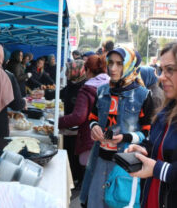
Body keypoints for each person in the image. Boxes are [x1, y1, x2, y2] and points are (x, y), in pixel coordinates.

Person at [80, 47, 154, 208]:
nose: (113, 68)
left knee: (119, 203)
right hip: (99, 159)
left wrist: (126, 137)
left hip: (125, 164)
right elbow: (92, 118)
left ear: (129, 65)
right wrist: (93, 127)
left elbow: (148, 132)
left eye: (120, 64)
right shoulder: (101, 91)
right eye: (111, 63)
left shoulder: (143, 95)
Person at [125, 42, 177, 208]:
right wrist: (144, 150)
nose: (161, 77)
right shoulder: (164, 112)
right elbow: (161, 147)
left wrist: (158, 169)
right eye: (161, 70)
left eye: (170, 69)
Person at [59, 55, 109, 188]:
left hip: (90, 136)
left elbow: (79, 117)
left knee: (90, 178)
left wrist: (57, 123)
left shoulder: (87, 89)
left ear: (88, 71)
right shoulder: (111, 85)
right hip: (108, 137)